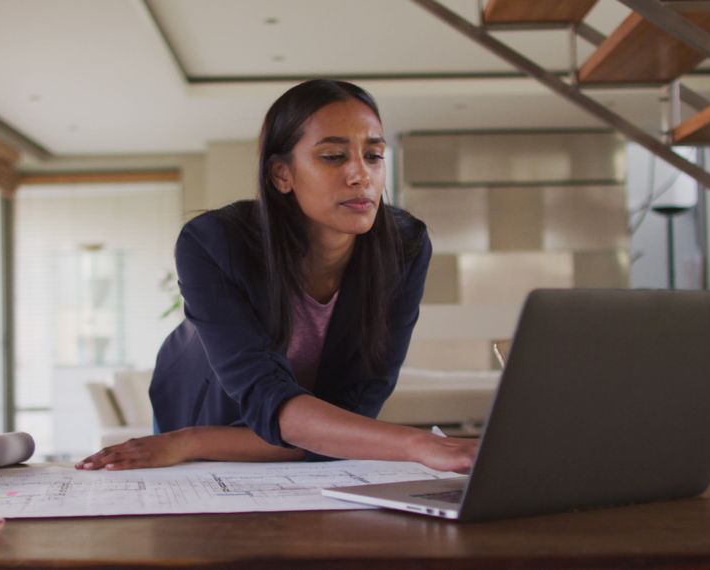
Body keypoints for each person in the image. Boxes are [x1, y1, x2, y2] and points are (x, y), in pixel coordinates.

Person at [76, 79, 477, 473]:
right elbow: (267, 398)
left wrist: (347, 436)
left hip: (296, 432)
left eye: (373, 155)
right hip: (205, 416)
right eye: (334, 156)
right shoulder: (213, 243)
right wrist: (188, 440)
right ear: (282, 174)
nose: (361, 175)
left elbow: (359, 408)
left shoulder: (404, 246)